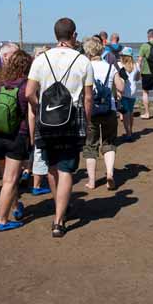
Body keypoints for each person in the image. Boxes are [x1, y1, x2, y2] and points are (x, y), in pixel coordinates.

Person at [25, 17, 93, 238]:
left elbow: (28, 93)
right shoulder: (83, 61)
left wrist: (41, 106)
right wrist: (88, 122)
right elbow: (88, 98)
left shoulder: (41, 59)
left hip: (46, 120)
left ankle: (59, 208)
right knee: (66, 170)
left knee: (52, 167)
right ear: (73, 35)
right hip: (72, 120)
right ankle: (58, 220)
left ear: (56, 35)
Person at [0, 49, 35, 231]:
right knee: (10, 180)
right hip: (16, 136)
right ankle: (3, 220)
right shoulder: (27, 85)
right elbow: (30, 116)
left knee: (8, 177)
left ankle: (15, 206)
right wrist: (32, 138)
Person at [83, 37, 124, 191]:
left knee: (90, 146)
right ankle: (110, 174)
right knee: (109, 142)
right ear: (101, 50)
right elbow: (120, 87)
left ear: (87, 51)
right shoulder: (110, 67)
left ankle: (92, 181)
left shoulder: (85, 67)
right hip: (109, 109)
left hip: (90, 110)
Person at [117, 47, 140, 139]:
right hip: (133, 92)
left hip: (124, 92)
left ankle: (128, 133)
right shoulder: (136, 65)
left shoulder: (119, 65)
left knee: (126, 113)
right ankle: (130, 130)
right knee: (130, 112)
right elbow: (138, 78)